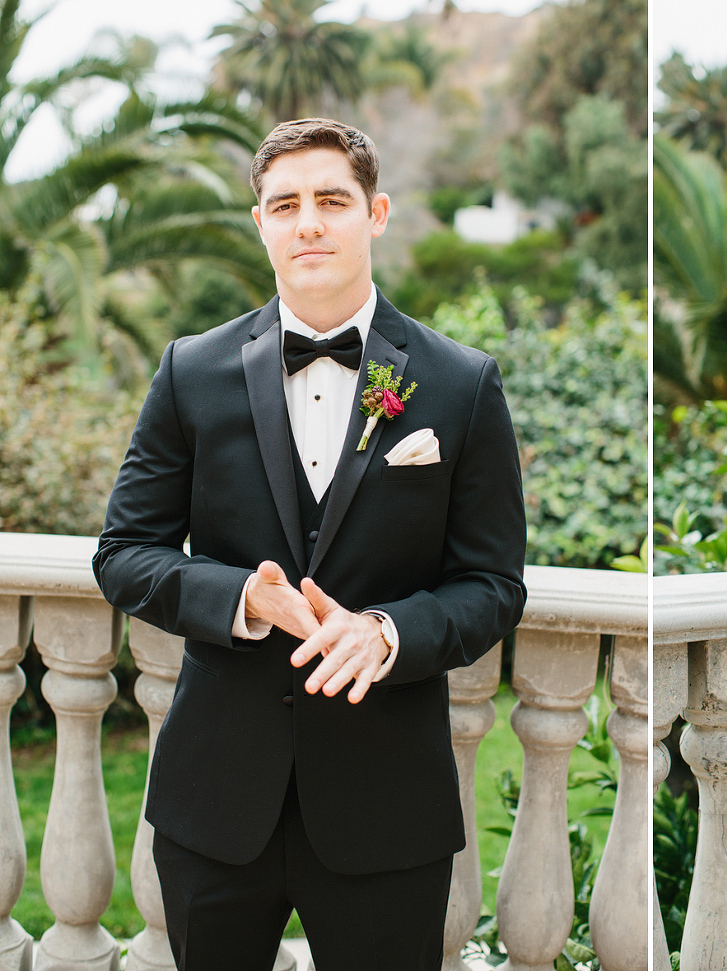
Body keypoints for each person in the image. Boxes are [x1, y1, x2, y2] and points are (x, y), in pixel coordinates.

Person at [92, 118, 527, 971]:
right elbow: (124, 552)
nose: (309, 222)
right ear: (261, 223)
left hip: (387, 804)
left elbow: (492, 583)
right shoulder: (190, 369)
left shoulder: (459, 381)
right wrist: (240, 598)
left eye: (332, 199)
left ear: (377, 213)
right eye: (285, 204)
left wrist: (386, 631)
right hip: (216, 802)